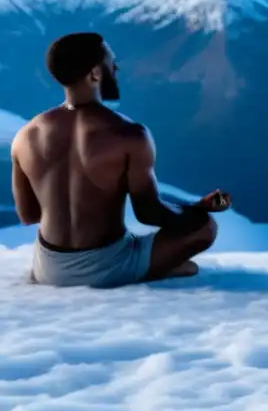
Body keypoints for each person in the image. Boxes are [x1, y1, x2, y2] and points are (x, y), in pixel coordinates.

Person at [9, 32, 232, 288]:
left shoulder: (26, 135)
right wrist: (196, 209)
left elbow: (28, 214)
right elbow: (149, 213)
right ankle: (151, 270)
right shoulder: (129, 135)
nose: (116, 67)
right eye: (110, 61)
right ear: (95, 73)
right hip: (108, 265)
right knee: (204, 226)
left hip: (48, 268)